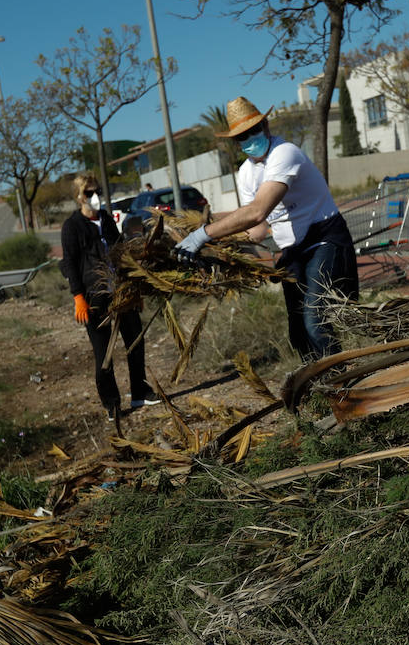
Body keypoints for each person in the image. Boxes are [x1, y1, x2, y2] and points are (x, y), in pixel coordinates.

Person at [175, 96, 359, 362]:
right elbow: (257, 229)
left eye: (253, 130)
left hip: (324, 240)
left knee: (315, 320)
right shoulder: (246, 173)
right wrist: (220, 251)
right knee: (298, 333)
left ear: (266, 125)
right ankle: (319, 388)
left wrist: (203, 233)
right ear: (235, 142)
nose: (250, 138)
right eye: (242, 136)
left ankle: (345, 387)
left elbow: (257, 211)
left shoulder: (284, 153)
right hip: (294, 251)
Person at [59, 173, 159, 421]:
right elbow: (69, 263)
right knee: (103, 351)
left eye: (97, 192)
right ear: (78, 197)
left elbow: (118, 249)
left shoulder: (105, 218)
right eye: (88, 193)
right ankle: (112, 404)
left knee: (135, 340)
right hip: (94, 295)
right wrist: (77, 297)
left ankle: (140, 391)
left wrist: (133, 284)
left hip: (120, 289)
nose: (94, 198)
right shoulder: (71, 227)